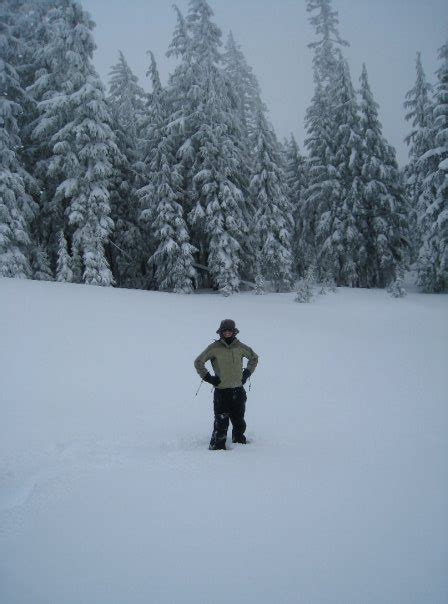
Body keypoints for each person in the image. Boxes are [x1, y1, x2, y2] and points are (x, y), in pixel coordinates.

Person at [194, 319, 259, 450]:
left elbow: (254, 357)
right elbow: (198, 362)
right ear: (221, 332)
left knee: (239, 421)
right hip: (222, 392)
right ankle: (217, 447)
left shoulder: (240, 346)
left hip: (238, 391)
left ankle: (239, 443)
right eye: (225, 330)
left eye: (230, 330)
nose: (227, 332)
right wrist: (208, 378)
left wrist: (246, 373)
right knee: (221, 422)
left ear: (234, 332)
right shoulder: (214, 348)